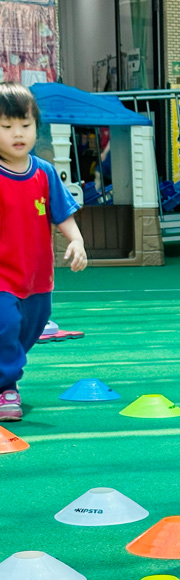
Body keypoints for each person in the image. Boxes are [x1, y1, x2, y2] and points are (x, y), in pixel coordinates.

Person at [0, 83, 87, 422]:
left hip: (37, 279)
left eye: (25, 125)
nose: (17, 133)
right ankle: (7, 387)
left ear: (37, 126)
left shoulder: (45, 172)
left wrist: (76, 241)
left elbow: (62, 214)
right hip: (3, 277)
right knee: (6, 325)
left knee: (29, 329)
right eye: (6, 126)